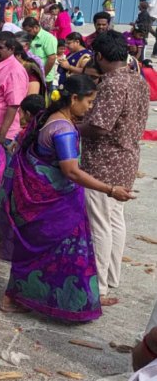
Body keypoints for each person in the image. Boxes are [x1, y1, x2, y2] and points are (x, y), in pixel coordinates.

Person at [0, 75, 129, 319]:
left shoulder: (48, 117)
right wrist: (111, 190)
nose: (91, 107)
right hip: (54, 203)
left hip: (43, 199)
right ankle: (21, 297)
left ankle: (73, 297)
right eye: (89, 102)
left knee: (49, 252)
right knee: (58, 252)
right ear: (74, 98)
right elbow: (71, 171)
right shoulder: (64, 131)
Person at [79, 31, 148, 302]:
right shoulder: (137, 79)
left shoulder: (112, 84)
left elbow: (99, 126)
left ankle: (100, 284)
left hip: (104, 162)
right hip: (128, 157)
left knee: (99, 223)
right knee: (114, 220)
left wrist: (72, 128)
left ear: (99, 56)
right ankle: (111, 276)